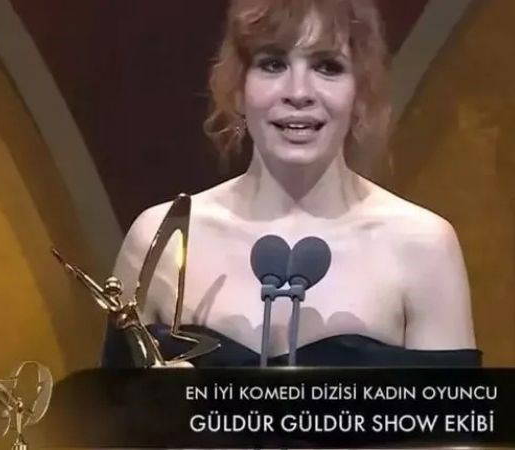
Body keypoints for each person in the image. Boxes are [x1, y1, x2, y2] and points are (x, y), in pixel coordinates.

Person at [104, 0, 479, 367]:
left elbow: (450, 410)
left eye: (327, 67)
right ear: (238, 87)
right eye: (273, 64)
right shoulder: (160, 240)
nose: (298, 93)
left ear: (360, 91)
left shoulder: (422, 247)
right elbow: (107, 407)